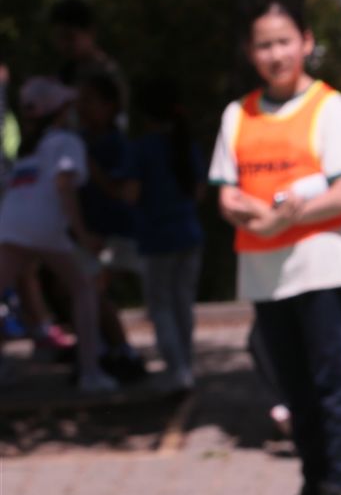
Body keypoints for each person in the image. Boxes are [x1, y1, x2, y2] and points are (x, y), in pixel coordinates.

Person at [210, 0, 341, 495]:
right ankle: (313, 487)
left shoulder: (332, 108)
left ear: (306, 42)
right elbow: (226, 195)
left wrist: (286, 216)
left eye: (284, 41)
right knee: (293, 388)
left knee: (332, 382)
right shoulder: (238, 115)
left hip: (320, 266)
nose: (275, 54)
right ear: (249, 52)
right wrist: (253, 215)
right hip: (264, 271)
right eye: (264, 45)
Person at [0, 77, 115, 393]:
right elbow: (65, 187)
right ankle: (91, 372)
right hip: (46, 227)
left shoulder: (28, 149)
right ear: (62, 110)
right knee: (84, 289)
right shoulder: (65, 141)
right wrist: (82, 235)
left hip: (10, 226)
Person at [123, 76, 204, 392]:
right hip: (189, 234)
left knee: (161, 307)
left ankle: (178, 370)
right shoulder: (185, 145)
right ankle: (185, 365)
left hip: (156, 238)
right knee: (183, 303)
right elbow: (199, 192)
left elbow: (131, 194)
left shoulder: (142, 149)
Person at [73, 69, 146, 382]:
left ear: (110, 106)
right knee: (89, 291)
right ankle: (109, 350)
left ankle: (122, 351)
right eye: (80, 101)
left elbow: (121, 191)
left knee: (96, 290)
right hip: (90, 232)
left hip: (119, 232)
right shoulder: (77, 141)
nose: (82, 107)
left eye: (90, 101)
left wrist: (92, 169)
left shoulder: (117, 144)